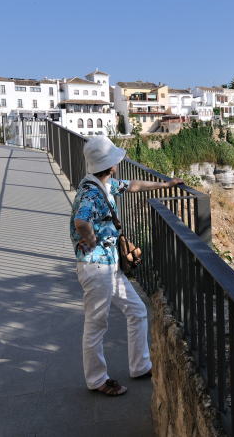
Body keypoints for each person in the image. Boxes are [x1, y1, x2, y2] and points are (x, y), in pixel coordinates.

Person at [71, 135, 182, 396]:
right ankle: (97, 379)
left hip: (109, 266)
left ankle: (140, 365)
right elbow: (81, 221)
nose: (118, 164)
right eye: (116, 160)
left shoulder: (102, 185)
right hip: (96, 267)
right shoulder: (91, 193)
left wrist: (165, 184)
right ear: (109, 165)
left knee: (137, 310)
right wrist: (91, 238)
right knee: (96, 324)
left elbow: (132, 185)